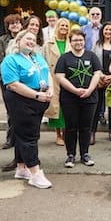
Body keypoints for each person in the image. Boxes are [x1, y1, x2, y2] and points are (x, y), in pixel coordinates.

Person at [0, 29, 54, 188]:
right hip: (22, 101)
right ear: (18, 41)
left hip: (40, 99)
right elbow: (14, 85)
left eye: (33, 40)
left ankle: (21, 167)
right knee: (28, 137)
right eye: (27, 39)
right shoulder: (10, 60)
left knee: (22, 135)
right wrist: (37, 95)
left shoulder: (36, 57)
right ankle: (35, 173)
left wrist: (50, 89)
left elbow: (47, 72)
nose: (31, 42)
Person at [55, 29, 102, 168]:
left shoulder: (91, 56)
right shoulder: (64, 58)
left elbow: (97, 73)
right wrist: (75, 90)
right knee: (70, 128)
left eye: (80, 40)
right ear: (70, 42)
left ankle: (85, 154)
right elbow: (59, 77)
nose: (78, 42)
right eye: (75, 40)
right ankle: (70, 155)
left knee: (86, 127)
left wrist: (89, 90)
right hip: (69, 98)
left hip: (89, 98)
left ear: (84, 41)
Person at [0, 13, 23, 172]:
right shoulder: (2, 40)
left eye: (17, 22)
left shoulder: (26, 37)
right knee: (11, 111)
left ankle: (19, 141)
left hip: (24, 80)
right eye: (12, 23)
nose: (15, 25)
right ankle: (10, 139)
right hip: (7, 79)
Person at [42, 18, 71, 146]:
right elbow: (43, 61)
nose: (64, 28)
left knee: (67, 106)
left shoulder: (71, 42)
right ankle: (58, 134)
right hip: (53, 78)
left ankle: (66, 133)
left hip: (68, 78)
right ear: (57, 27)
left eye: (66, 26)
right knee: (56, 107)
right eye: (61, 25)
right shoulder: (48, 44)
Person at [90, 21, 111, 143]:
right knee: (97, 106)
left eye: (110, 30)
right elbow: (92, 62)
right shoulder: (96, 45)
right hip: (99, 79)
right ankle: (92, 132)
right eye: (106, 29)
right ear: (102, 31)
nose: (108, 32)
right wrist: (101, 76)